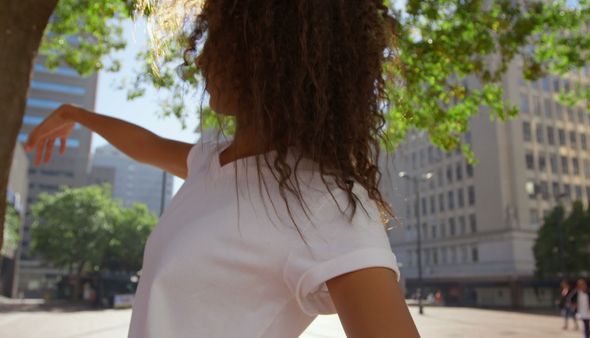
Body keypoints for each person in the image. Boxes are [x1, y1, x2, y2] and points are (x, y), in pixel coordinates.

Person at [24, 1, 420, 337]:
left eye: (218, 37)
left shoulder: (324, 202)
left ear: (271, 52)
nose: (200, 57)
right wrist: (76, 114)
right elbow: (147, 146)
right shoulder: (209, 162)